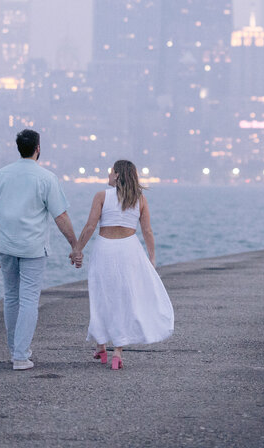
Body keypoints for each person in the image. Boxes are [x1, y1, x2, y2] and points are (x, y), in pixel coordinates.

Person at [0, 128, 81, 370]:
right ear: (38, 148)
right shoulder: (46, 178)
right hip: (33, 248)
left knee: (11, 297)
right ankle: (20, 356)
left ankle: (14, 350)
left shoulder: (0, 176)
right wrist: (74, 245)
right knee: (28, 299)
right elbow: (60, 216)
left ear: (19, 148)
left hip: (6, 246)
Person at [73, 158, 174, 370]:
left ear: (117, 175)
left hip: (105, 249)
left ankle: (101, 345)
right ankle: (117, 352)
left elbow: (90, 226)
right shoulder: (140, 198)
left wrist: (78, 249)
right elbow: (147, 231)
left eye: (111, 172)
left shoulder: (101, 196)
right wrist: (152, 256)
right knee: (124, 298)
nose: (108, 176)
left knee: (101, 295)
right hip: (130, 250)